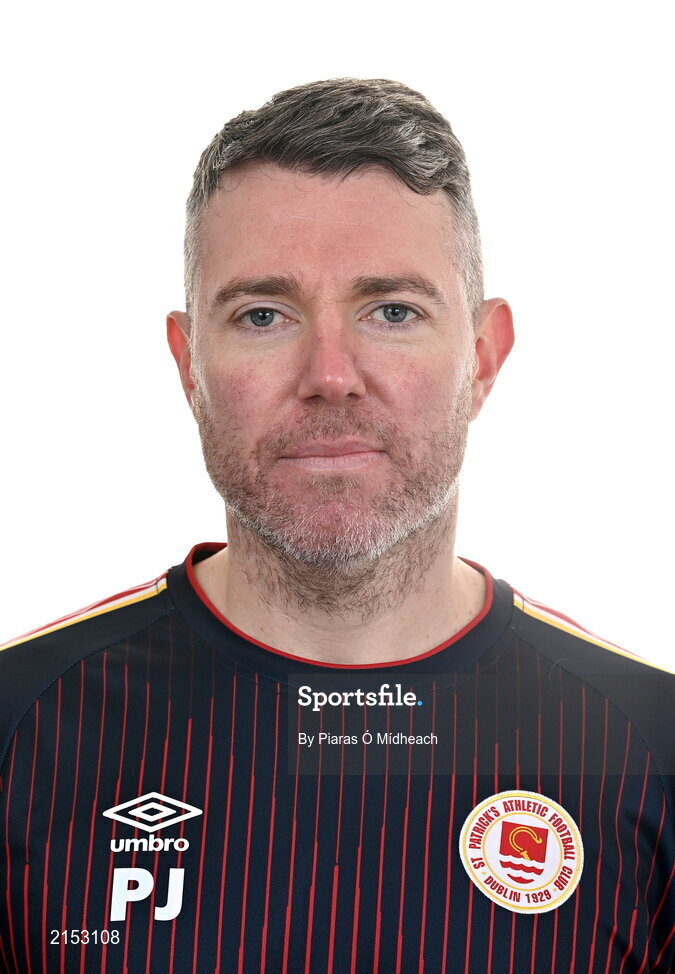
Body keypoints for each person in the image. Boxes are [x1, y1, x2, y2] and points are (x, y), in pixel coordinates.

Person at [0, 78, 672, 974]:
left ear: (481, 356)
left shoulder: (647, 749)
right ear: (187, 364)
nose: (330, 374)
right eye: (263, 315)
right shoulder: (19, 731)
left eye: (392, 311)